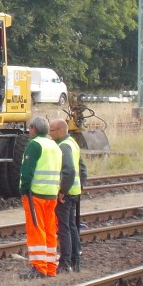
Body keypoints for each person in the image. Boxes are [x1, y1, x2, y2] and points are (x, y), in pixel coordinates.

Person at [18, 115, 63, 277]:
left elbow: (27, 171)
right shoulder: (54, 146)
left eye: (30, 128)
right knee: (50, 230)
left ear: (33, 129)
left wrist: (23, 189)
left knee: (36, 229)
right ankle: (51, 267)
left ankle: (39, 267)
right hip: (51, 194)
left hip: (35, 194)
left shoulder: (34, 145)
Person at [49, 117, 86, 272]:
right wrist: (80, 187)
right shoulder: (73, 143)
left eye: (52, 131)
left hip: (67, 193)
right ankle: (75, 261)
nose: (50, 134)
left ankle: (65, 263)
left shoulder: (64, 146)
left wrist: (63, 190)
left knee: (64, 228)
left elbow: (70, 170)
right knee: (71, 227)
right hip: (74, 191)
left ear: (61, 130)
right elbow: (82, 169)